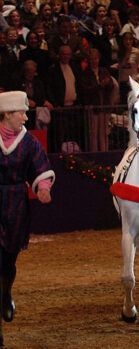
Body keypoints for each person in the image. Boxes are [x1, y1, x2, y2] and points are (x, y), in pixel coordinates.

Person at [0, 90, 54, 346]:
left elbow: (40, 167)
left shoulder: (29, 142)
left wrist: (43, 187)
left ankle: (5, 293)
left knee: (8, 260)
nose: (24, 116)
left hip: (15, 206)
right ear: (7, 114)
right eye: (21, 112)